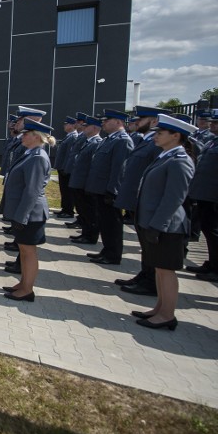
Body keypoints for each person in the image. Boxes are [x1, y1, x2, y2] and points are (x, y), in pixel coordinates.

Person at [131, 114, 198, 330]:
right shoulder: (166, 156)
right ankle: (159, 308)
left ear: (176, 135)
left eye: (160, 133)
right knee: (160, 269)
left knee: (167, 270)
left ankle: (167, 314)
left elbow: (174, 199)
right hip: (155, 223)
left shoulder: (180, 161)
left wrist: (157, 225)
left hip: (167, 226)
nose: (155, 136)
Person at [113, 106, 169, 296]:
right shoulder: (146, 142)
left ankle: (150, 281)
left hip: (149, 202)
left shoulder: (157, 147)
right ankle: (145, 275)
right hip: (140, 201)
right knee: (144, 244)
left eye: (142, 119)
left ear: (154, 121)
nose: (136, 122)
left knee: (150, 246)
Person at [0, 119, 55, 301]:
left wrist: (21, 217)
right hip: (25, 213)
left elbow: (32, 191)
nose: (22, 136)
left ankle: (28, 289)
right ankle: (23, 283)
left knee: (29, 252)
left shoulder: (38, 157)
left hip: (31, 214)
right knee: (23, 251)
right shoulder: (31, 153)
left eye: (26, 133)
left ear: (36, 136)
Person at [85, 109, 134, 266]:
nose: (103, 123)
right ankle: (106, 250)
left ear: (119, 122)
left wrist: (112, 191)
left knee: (112, 224)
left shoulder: (123, 140)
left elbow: (119, 169)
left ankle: (113, 254)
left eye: (107, 121)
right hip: (100, 189)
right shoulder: (109, 139)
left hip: (109, 191)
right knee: (105, 223)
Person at [184, 108, 218, 281]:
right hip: (205, 194)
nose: (211, 124)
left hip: (215, 196)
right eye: (212, 121)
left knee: (215, 231)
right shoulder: (214, 142)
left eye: (216, 122)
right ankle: (212, 263)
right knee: (208, 230)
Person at [67, 115, 103, 248]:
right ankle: (85, 233)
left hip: (85, 183)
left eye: (86, 126)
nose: (83, 128)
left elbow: (93, 166)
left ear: (94, 128)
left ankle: (90, 235)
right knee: (83, 210)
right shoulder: (88, 141)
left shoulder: (96, 142)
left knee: (89, 211)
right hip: (80, 182)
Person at [53, 116, 79, 219]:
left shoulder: (73, 137)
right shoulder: (69, 136)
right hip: (62, 168)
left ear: (73, 125)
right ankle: (65, 208)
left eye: (67, 124)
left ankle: (68, 210)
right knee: (63, 190)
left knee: (67, 191)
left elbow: (70, 155)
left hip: (66, 169)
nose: (64, 125)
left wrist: (66, 168)